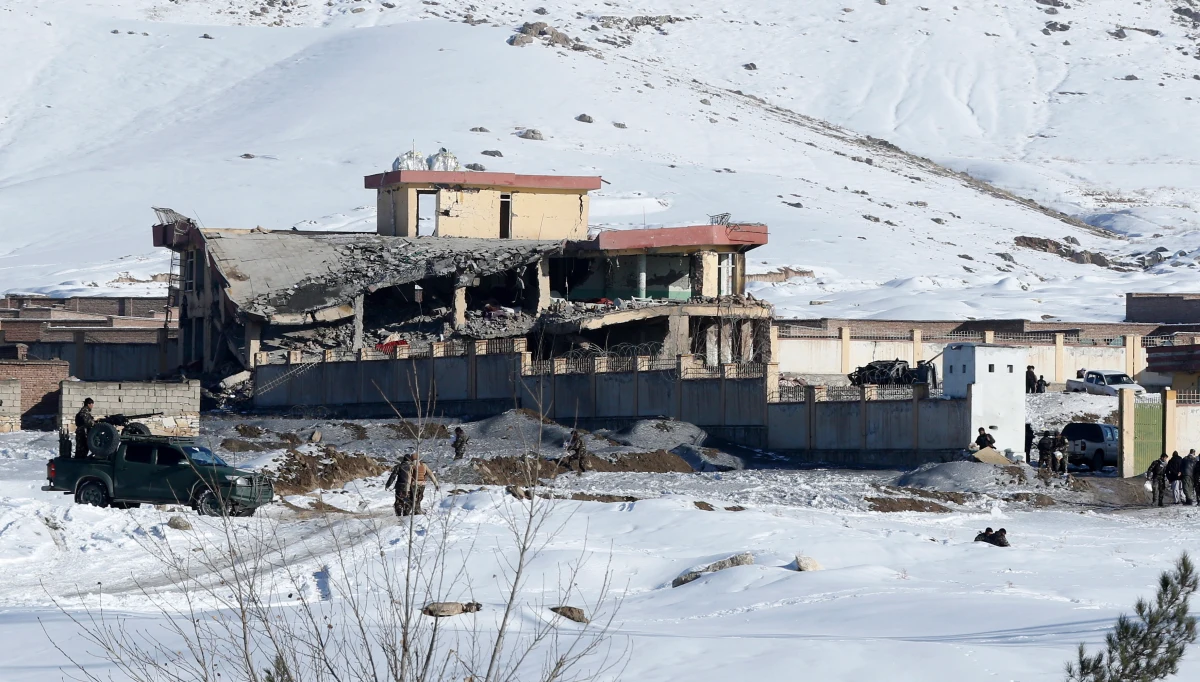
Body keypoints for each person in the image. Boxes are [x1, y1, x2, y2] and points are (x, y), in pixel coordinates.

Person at [385, 452, 439, 516]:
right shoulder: (423, 465)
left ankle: (402, 514)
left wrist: (388, 485)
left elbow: (406, 478)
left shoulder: (409, 466)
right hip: (422, 485)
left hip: (409, 485)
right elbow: (430, 474)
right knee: (418, 499)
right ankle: (415, 512)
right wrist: (436, 484)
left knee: (404, 500)